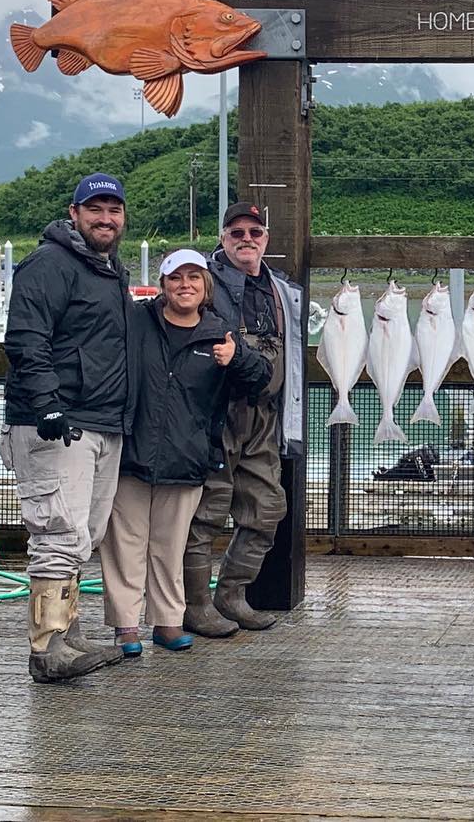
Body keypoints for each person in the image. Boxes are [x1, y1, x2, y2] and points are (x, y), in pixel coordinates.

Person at [103, 250, 270, 656]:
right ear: (162, 284)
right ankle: (126, 626)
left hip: (186, 458)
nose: (185, 285)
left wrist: (237, 359)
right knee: (124, 545)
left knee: (170, 546)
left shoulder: (220, 333)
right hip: (132, 454)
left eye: (194, 277)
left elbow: (260, 379)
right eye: (176, 277)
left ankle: (168, 621)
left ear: (205, 285)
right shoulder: (136, 321)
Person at [1, 173, 132, 683]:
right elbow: (26, 337)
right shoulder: (49, 264)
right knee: (56, 533)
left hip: (101, 422)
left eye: (113, 209)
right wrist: (47, 404)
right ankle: (47, 647)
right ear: (74, 213)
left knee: (83, 535)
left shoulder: (110, 271)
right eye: (94, 208)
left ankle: (69, 632)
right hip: (58, 424)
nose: (105, 218)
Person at [183, 203, 305, 636]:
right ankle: (196, 606)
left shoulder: (282, 289)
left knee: (267, 507)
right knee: (206, 513)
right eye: (236, 233)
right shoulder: (206, 282)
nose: (246, 239)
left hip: (264, 417)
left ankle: (232, 595)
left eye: (255, 232)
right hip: (218, 413)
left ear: (266, 239)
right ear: (223, 238)